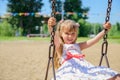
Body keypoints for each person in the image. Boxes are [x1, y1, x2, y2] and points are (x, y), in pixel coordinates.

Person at [48, 17, 120, 80]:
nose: (70, 36)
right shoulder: (60, 47)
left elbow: (94, 40)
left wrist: (105, 30)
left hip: (85, 68)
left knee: (114, 76)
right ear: (61, 34)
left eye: (73, 33)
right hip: (69, 70)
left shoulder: (78, 46)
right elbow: (54, 38)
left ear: (76, 34)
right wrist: (51, 27)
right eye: (67, 33)